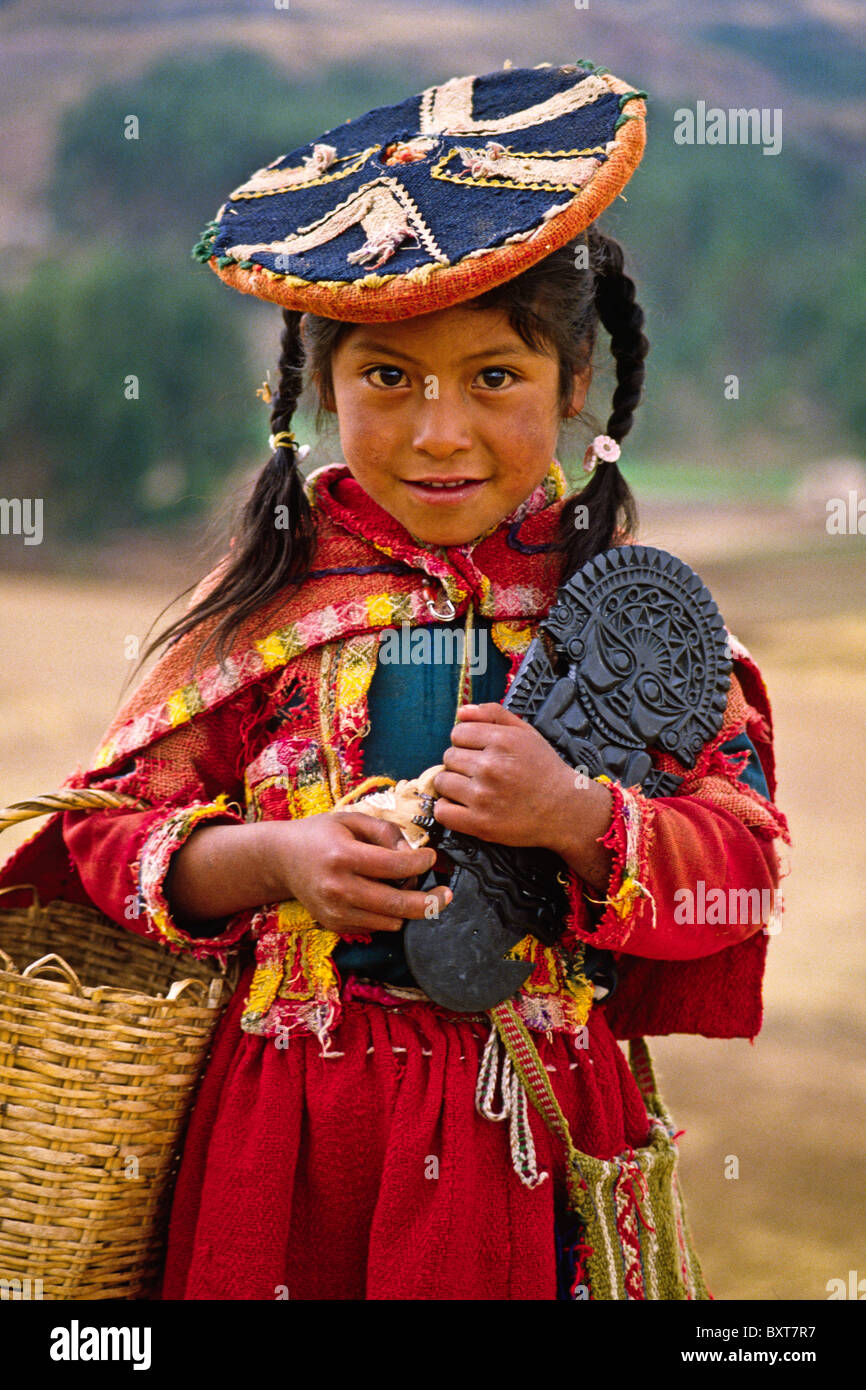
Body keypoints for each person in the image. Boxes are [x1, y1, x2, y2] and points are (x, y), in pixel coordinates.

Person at [0, 61, 789, 1300]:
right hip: (292, 1147)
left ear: (574, 388)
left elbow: (736, 872)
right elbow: (101, 847)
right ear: (312, 390)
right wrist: (276, 861)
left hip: (538, 1137)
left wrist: (578, 820)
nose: (437, 431)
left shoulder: (639, 626)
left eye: (494, 377)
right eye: (384, 377)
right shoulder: (266, 613)